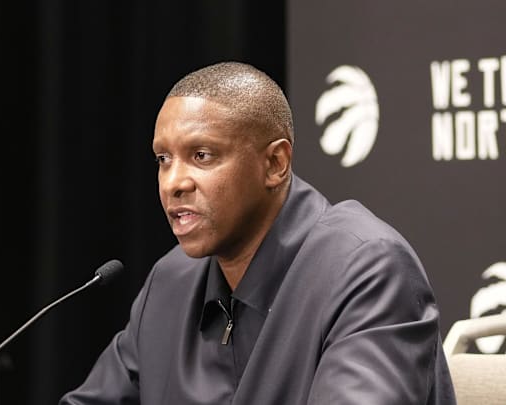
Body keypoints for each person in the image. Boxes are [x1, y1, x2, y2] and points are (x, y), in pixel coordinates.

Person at [60, 62, 456, 404]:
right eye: (163, 159)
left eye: (202, 156)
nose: (173, 182)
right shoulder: (171, 280)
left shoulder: (367, 270)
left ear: (275, 163)